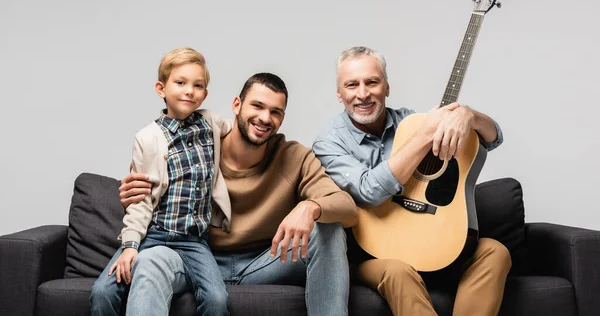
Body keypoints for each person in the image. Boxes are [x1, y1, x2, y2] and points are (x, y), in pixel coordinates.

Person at [119, 72, 358, 316]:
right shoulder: (200, 148)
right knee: (150, 260)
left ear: (282, 119)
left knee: (328, 229)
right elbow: (150, 193)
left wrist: (310, 207)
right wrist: (135, 193)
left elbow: (347, 208)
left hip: (266, 264)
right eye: (257, 106)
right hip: (197, 261)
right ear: (237, 105)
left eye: (275, 112)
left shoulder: (294, 156)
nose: (265, 118)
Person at [312, 46, 512, 316]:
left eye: (372, 82)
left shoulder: (411, 121)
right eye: (352, 85)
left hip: (435, 242)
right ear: (339, 93)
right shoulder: (329, 143)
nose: (363, 93)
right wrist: (424, 137)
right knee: (398, 272)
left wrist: (468, 116)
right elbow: (369, 191)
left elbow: (493, 138)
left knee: (495, 252)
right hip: (374, 253)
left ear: (387, 87)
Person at [90, 47, 232, 316]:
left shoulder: (211, 123)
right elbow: (141, 200)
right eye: (180, 83)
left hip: (193, 241)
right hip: (153, 235)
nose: (189, 91)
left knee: (217, 300)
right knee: (102, 292)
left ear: (205, 93)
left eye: (197, 85)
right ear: (161, 88)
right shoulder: (147, 138)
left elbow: (242, 130)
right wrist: (131, 246)